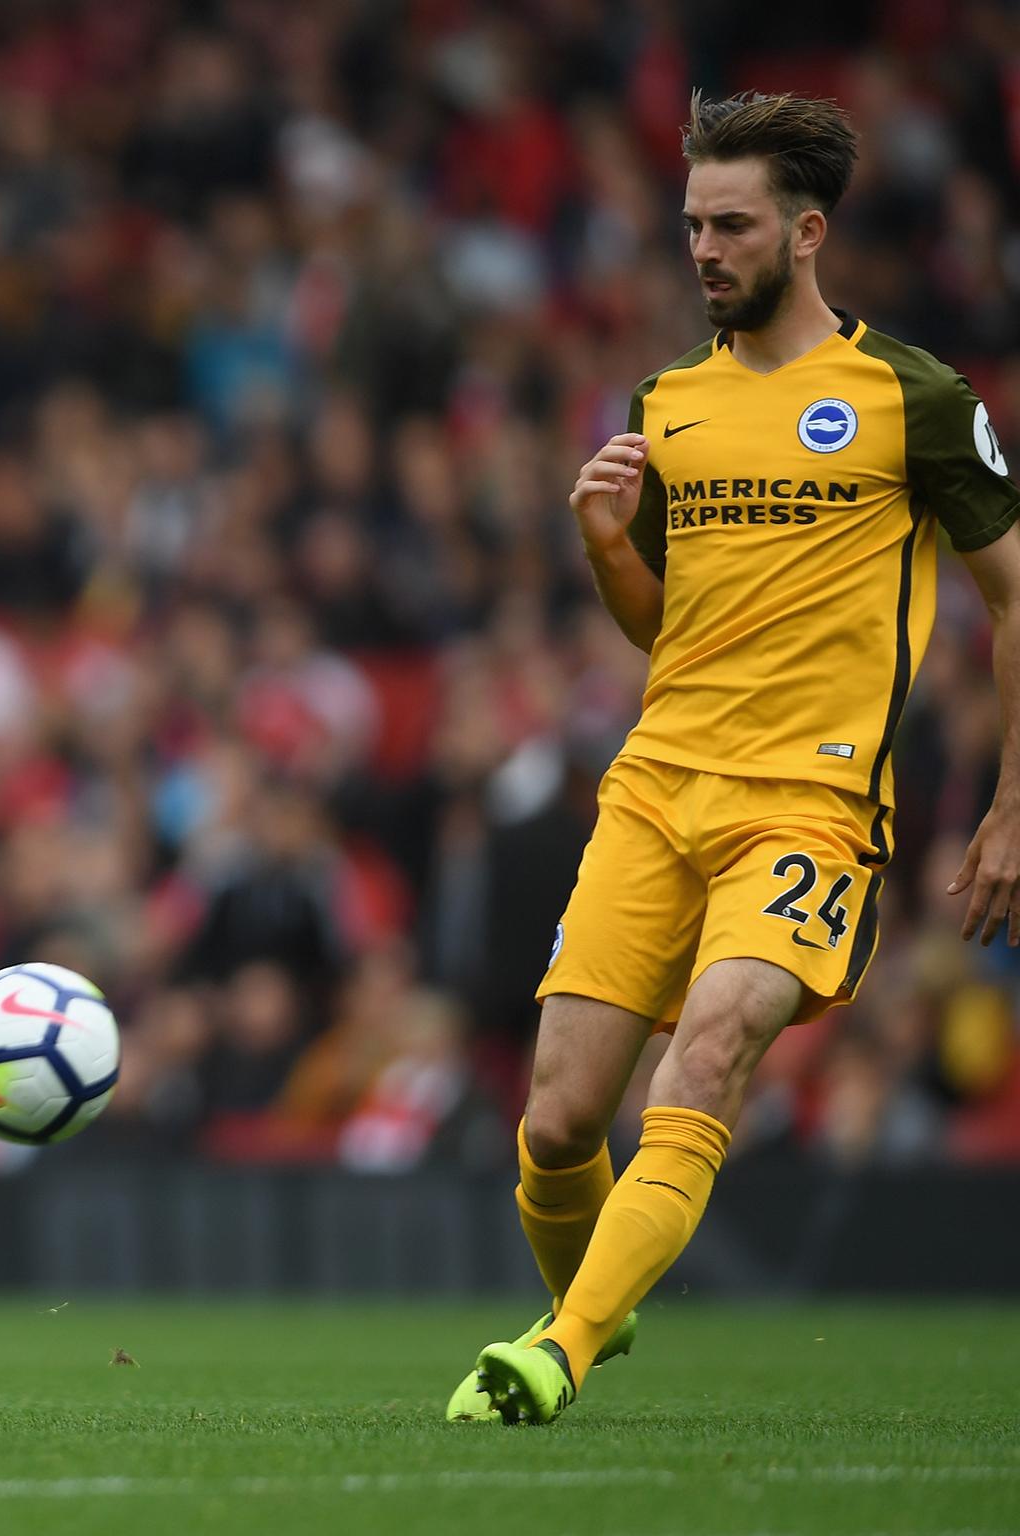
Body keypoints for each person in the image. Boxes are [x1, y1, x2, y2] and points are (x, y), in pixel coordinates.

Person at [447, 92, 1020, 1425]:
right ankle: (599, 1307)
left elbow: (1014, 599)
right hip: (657, 792)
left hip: (812, 806)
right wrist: (604, 549)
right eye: (692, 224)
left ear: (806, 232)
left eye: (732, 226)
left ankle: (561, 1353)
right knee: (554, 1127)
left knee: (704, 1062)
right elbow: (670, 634)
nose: (703, 250)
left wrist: (1008, 808)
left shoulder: (912, 396)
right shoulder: (670, 404)